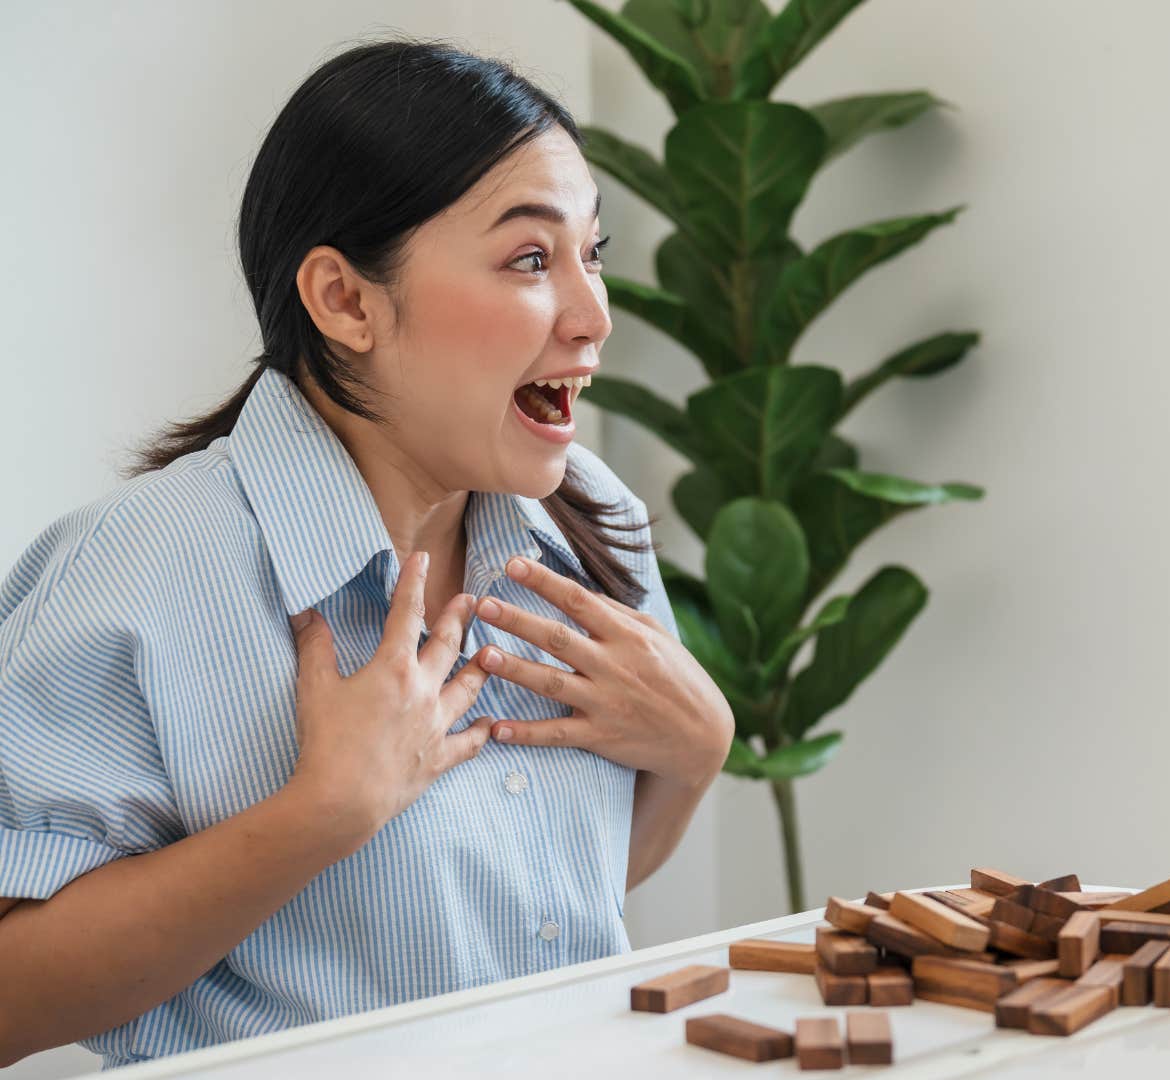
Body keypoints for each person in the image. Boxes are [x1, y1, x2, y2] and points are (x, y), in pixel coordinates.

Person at [0, 40, 731, 1068]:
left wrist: (696, 756)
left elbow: (568, 898)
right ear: (345, 301)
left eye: (590, 254)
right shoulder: (140, 569)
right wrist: (320, 817)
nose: (594, 313)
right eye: (531, 259)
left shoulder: (587, 518)